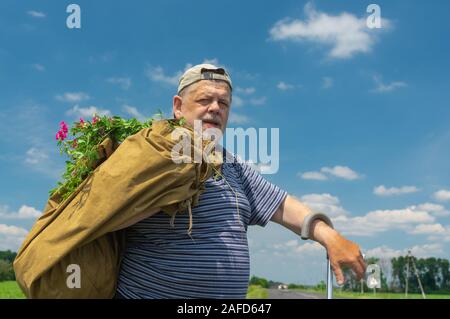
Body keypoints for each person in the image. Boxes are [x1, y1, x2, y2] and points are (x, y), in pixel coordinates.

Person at [115, 63, 366, 299]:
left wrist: (329, 236)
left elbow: (280, 205)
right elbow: (111, 212)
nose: (215, 108)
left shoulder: (232, 165)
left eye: (223, 103)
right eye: (204, 100)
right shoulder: (149, 155)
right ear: (178, 106)